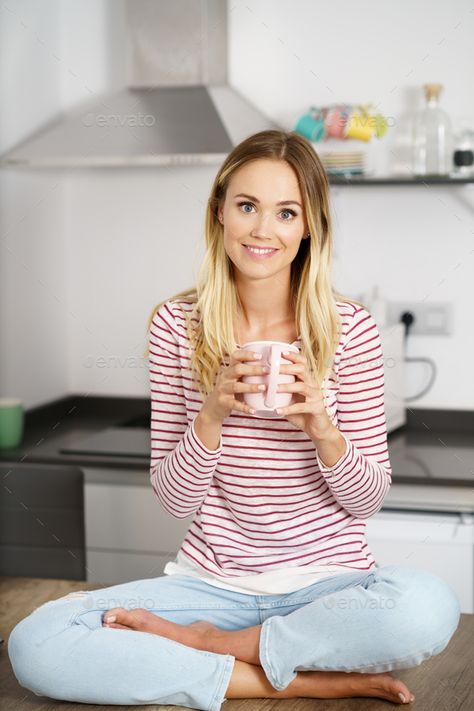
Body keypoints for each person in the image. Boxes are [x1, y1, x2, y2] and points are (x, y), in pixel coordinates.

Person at [8, 130, 460, 709]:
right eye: (247, 206)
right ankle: (296, 678)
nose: (262, 230)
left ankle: (219, 647)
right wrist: (212, 412)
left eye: (286, 212)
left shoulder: (351, 330)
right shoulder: (177, 325)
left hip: (327, 589)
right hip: (209, 585)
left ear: (309, 227)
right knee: (38, 641)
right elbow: (174, 499)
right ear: (220, 211)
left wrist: (324, 429)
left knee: (426, 605)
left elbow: (367, 502)